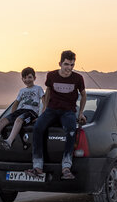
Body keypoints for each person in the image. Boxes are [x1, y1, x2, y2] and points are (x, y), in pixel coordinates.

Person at [26, 50, 86, 180]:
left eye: (72, 65)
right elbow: (48, 91)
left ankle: (66, 167)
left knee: (71, 131)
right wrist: (45, 108)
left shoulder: (78, 78)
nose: (69, 68)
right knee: (37, 127)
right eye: (66, 64)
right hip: (51, 110)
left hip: (68, 111)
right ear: (60, 63)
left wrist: (80, 113)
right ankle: (37, 166)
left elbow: (83, 94)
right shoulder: (52, 76)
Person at [0, 67, 44, 149]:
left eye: (30, 77)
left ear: (34, 78)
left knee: (19, 120)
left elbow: (44, 101)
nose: (27, 80)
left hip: (31, 112)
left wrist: (41, 116)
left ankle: (9, 141)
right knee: (3, 120)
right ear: (22, 79)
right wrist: (12, 115)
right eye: (25, 78)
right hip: (20, 111)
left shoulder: (38, 89)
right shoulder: (22, 91)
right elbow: (16, 103)